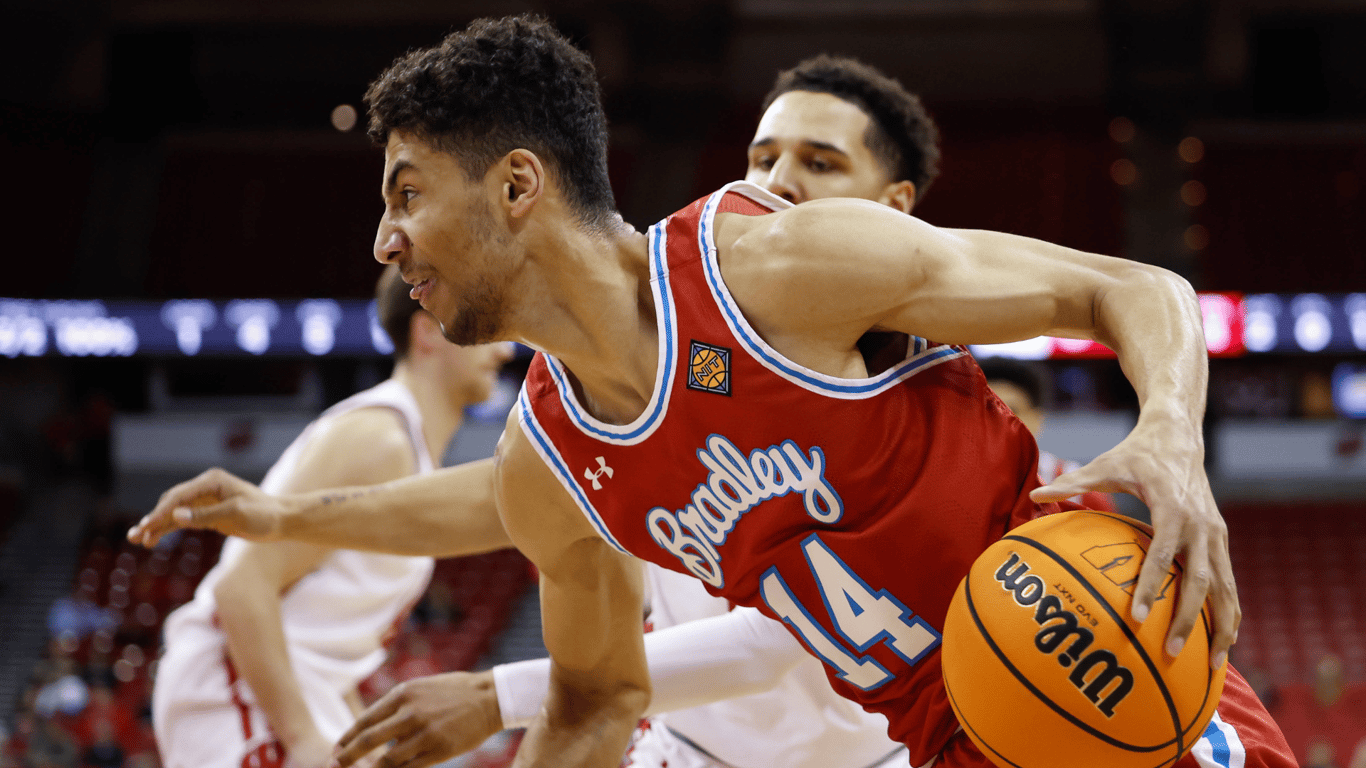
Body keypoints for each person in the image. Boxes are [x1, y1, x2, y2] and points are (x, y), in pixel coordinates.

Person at [130, 15, 1294, 768]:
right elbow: (591, 700)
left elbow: (1128, 288)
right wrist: (285, 518)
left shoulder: (769, 268)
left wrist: (1170, 441)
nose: (383, 241)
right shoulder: (552, 459)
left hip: (1094, 657)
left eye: (405, 193)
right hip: (944, 740)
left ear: (518, 187)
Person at [150, 266, 512, 768]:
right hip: (235, 678)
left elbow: (320, 640)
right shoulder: (379, 439)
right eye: (486, 331)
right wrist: (301, 738)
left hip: (284, 683)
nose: (504, 349)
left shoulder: (408, 447)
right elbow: (242, 588)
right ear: (427, 331)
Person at [977, 357, 1118, 513]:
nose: (996, 421)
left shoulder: (1079, 490)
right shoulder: (949, 484)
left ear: (1037, 419)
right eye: (985, 410)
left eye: (1010, 411)